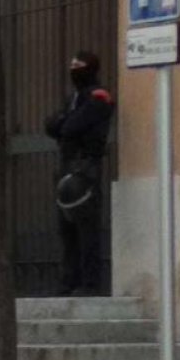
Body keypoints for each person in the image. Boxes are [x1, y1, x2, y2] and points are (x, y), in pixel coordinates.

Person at [45, 50, 114, 296]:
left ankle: (90, 284)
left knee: (87, 230)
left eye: (79, 65)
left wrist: (65, 123)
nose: (73, 69)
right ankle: (68, 282)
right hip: (66, 168)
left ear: (91, 68)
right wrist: (64, 123)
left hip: (86, 170)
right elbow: (51, 125)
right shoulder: (73, 98)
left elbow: (71, 126)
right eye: (72, 64)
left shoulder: (99, 96)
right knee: (66, 229)